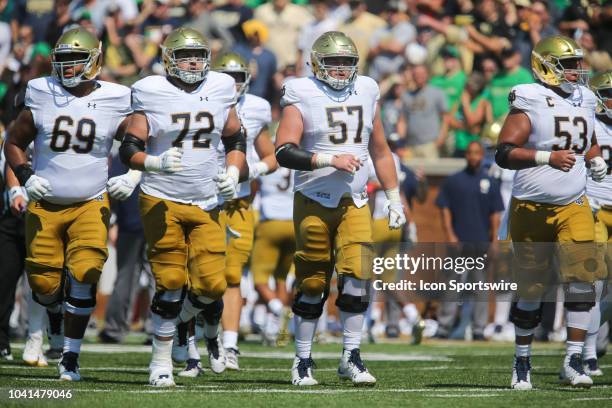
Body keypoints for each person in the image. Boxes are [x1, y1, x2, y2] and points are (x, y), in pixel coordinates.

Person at [275, 31, 406, 386]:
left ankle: (351, 355)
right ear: (316, 62)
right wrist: (328, 158)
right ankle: (302, 359)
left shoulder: (366, 89)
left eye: (346, 61)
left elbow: (380, 150)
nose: (339, 68)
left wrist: (394, 197)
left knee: (357, 279)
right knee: (314, 282)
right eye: (332, 61)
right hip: (314, 200)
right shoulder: (300, 91)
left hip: (356, 201)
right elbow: (284, 150)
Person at [119, 27, 247, 387]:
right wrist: (155, 163)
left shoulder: (221, 86)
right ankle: (160, 363)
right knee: (171, 280)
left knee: (212, 285)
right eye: (184, 56)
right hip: (161, 198)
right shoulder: (150, 90)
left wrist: (234, 171)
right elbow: (128, 148)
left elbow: (236, 136)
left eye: (199, 56)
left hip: (207, 201)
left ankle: (177, 325)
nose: (193, 62)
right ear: (168, 59)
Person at [3, 27, 133, 381]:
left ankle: (70, 357)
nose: (69, 68)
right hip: (45, 204)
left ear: (95, 62)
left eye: (77, 61)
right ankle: (54, 316)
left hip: (91, 201)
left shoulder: (116, 97)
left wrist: (135, 174)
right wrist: (27, 176)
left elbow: (139, 138)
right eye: (63, 61)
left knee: (87, 271)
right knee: (44, 287)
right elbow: (13, 143)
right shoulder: (42, 92)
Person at [495, 35, 606, 390]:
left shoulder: (586, 99)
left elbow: (585, 136)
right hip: (531, 206)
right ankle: (522, 360)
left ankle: (574, 359)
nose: (576, 71)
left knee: (583, 281)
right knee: (531, 290)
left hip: (574, 204)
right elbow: (504, 152)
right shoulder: (529, 98)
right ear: (545, 66)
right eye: (568, 64)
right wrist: (547, 157)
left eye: (577, 64)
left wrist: (595, 158)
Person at [173, 52, 276, 375]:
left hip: (237, 202)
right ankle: (190, 346)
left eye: (238, 78)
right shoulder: (199, 98)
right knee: (192, 276)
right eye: (226, 77)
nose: (232, 84)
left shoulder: (257, 108)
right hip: (200, 199)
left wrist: (250, 171)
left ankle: (227, 344)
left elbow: (271, 156)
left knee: (230, 277)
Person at [435, 141, 504, 340]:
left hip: (481, 244)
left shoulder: (489, 181)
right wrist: (449, 234)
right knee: (452, 287)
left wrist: (495, 241)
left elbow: (495, 215)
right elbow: (444, 209)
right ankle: (444, 326)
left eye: (477, 153)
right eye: (470, 153)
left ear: (482, 155)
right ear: (466, 155)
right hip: (459, 243)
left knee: (481, 288)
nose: (473, 156)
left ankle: (479, 329)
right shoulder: (453, 180)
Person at [584, 70, 612, 377]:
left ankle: (588, 343)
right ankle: (588, 351)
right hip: (594, 209)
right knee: (595, 284)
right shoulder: (588, 125)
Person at [252, 166, 295, 346]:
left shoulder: (265, 162)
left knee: (259, 280)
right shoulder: (294, 159)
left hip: (270, 223)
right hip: (293, 224)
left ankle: (279, 311)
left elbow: (253, 189)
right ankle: (278, 329)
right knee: (281, 278)